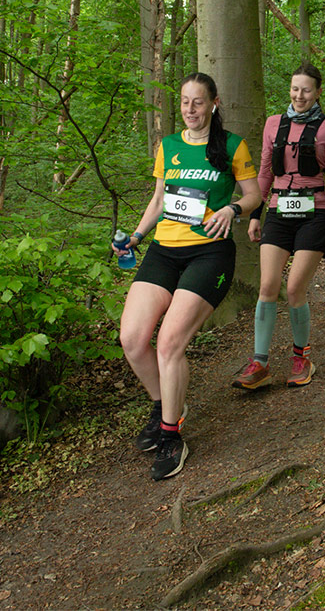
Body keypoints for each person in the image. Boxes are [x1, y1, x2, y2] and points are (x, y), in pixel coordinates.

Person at [113, 72, 262, 481]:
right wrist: (137, 236)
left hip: (210, 253)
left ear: (214, 103)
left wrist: (234, 209)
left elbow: (254, 195)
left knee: (169, 343)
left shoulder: (232, 146)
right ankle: (166, 405)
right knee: (131, 338)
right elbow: (159, 199)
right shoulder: (170, 146)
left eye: (198, 102)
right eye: (184, 102)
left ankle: (171, 434)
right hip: (164, 249)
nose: (190, 110)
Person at [232, 64, 325, 390]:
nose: (299, 95)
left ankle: (302, 356)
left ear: (318, 92)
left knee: (295, 288)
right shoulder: (273, 124)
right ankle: (260, 363)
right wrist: (255, 214)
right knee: (268, 286)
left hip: (316, 212)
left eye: (306, 90)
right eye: (295, 89)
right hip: (279, 212)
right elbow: (265, 173)